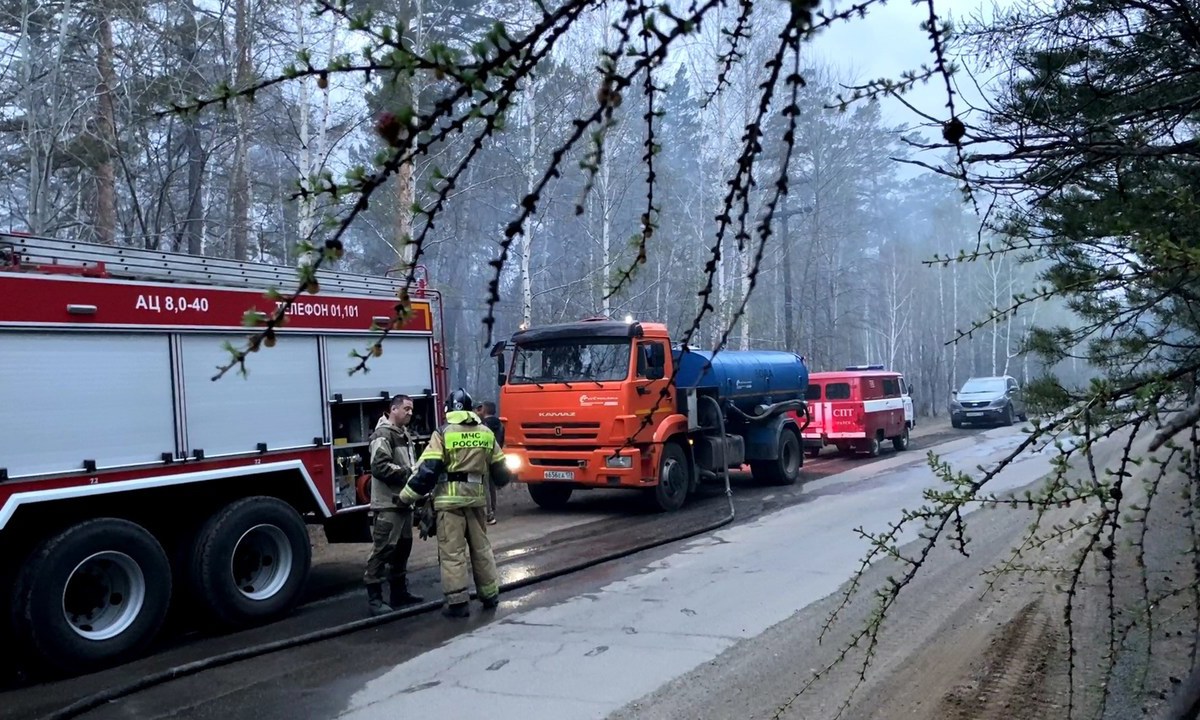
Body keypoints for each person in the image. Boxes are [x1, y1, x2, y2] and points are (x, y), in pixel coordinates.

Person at [397, 388, 511, 618]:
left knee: (452, 552)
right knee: (481, 549)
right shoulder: (486, 433)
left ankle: (458, 603)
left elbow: (427, 471)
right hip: (477, 501)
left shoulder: (443, 433)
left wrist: (405, 497)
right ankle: (489, 595)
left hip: (449, 504)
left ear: (449, 409)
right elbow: (501, 472)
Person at [362, 394, 424, 616]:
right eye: (406, 408)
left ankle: (399, 594)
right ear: (393, 409)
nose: (410, 412)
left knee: (402, 548)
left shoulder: (403, 434)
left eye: (411, 409)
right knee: (383, 550)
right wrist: (410, 474)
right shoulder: (382, 435)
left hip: (403, 503)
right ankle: (375, 600)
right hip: (388, 505)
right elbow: (380, 467)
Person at [475, 400, 505, 524]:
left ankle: (488, 513)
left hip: (484, 458)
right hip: (495, 456)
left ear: (484, 410)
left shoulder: (483, 426)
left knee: (484, 485)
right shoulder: (500, 424)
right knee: (491, 485)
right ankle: (492, 508)